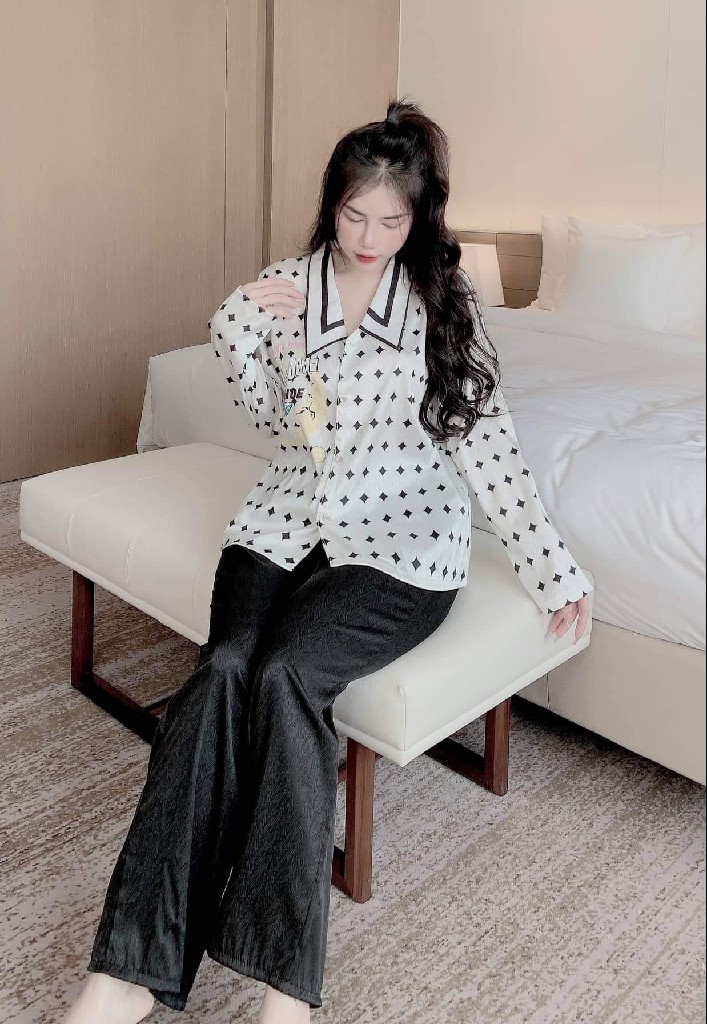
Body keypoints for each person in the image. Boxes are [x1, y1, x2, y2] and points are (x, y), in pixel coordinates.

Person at [62, 98, 592, 1024]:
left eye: (391, 221)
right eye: (354, 216)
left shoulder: (441, 303)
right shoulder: (287, 286)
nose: (370, 239)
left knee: (286, 676)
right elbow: (274, 419)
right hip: (283, 521)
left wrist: (549, 566)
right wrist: (233, 326)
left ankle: (282, 987)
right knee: (223, 668)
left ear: (417, 218)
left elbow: (485, 441)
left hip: (400, 544)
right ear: (330, 205)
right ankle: (127, 973)